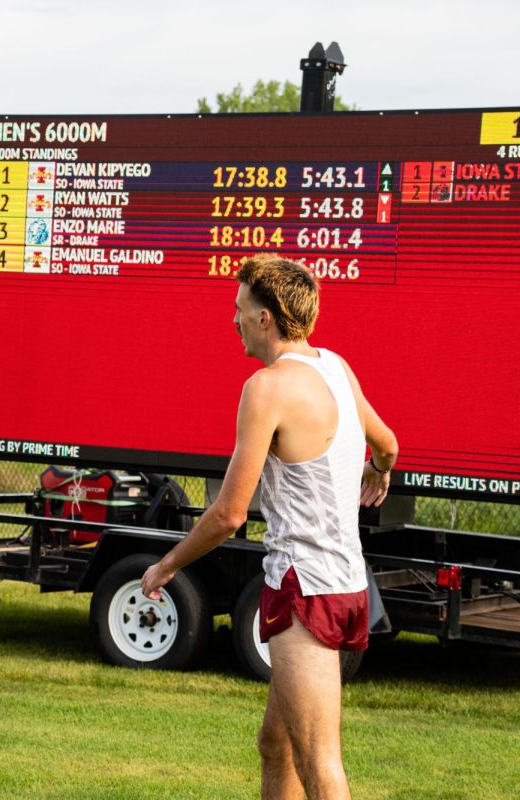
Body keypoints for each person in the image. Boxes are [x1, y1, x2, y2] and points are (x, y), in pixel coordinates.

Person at [141, 254, 398, 800]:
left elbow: (229, 515)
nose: (232, 319)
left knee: (319, 761)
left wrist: (167, 565)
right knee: (274, 745)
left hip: (305, 591)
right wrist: (379, 471)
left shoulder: (268, 388)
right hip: (346, 585)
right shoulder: (336, 366)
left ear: (266, 318)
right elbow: (390, 443)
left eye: (239, 309)